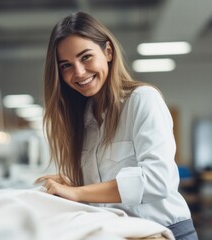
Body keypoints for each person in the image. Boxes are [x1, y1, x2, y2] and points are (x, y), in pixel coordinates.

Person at [35, 12, 198, 240]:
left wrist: (78, 192)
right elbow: (104, 196)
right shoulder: (82, 119)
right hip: (120, 234)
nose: (79, 72)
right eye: (66, 65)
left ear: (108, 52)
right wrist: (73, 187)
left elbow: (157, 180)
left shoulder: (142, 99)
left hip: (164, 232)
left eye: (86, 57)